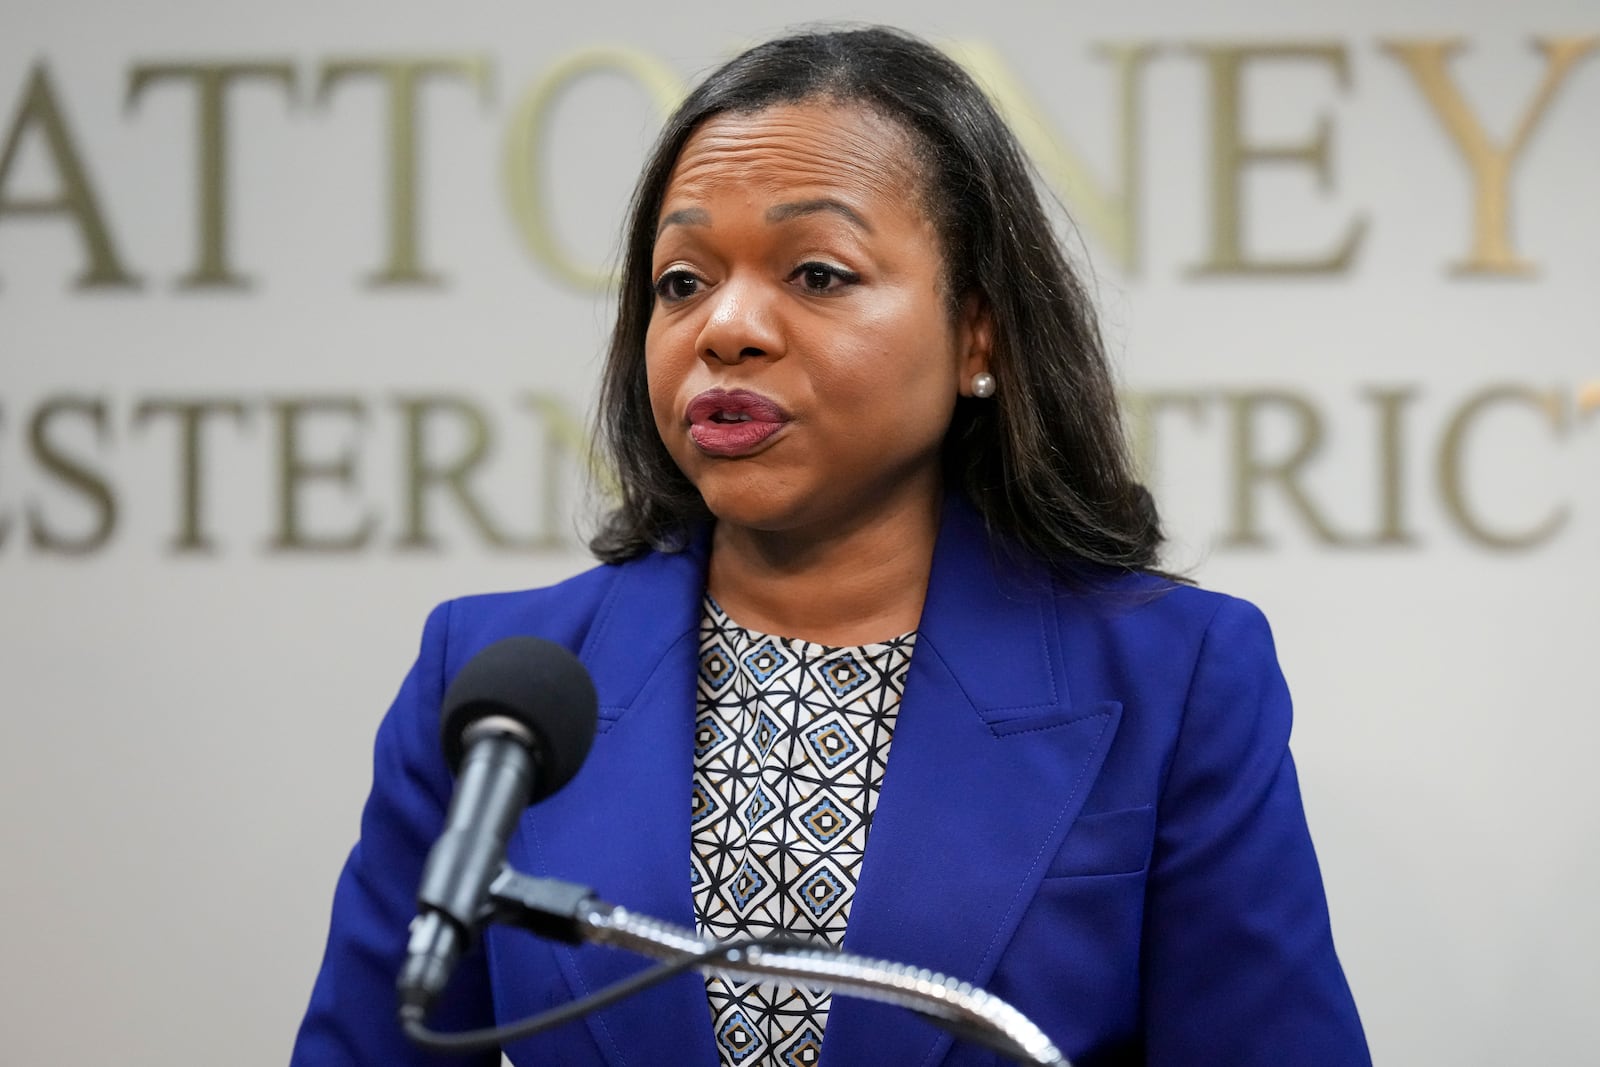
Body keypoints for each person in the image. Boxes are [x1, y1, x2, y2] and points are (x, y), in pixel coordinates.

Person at [292, 25, 1370, 1067]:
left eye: (815, 273)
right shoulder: (499, 689)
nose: (725, 327)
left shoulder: (1172, 678)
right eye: (683, 280)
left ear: (977, 333)